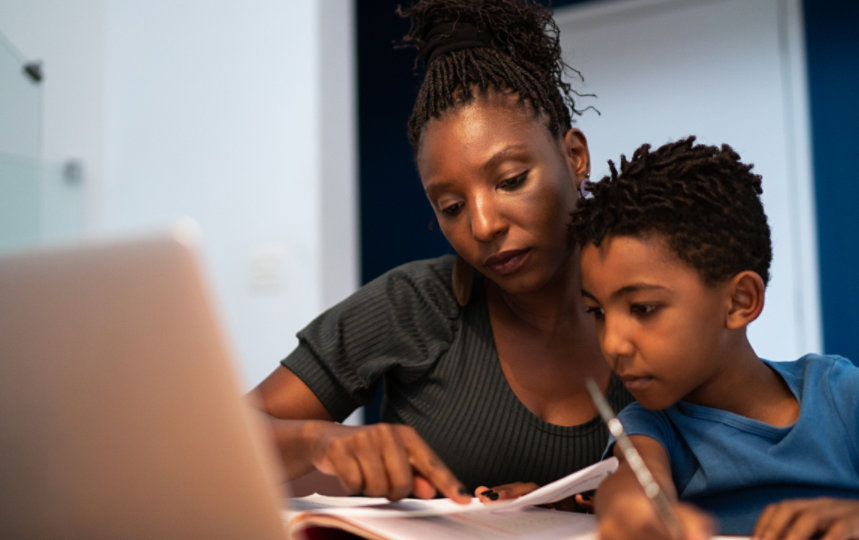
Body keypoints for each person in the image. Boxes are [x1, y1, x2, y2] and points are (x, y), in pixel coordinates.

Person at [250, 0, 633, 503]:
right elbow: (223, 436)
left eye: (511, 180)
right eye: (452, 206)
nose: (483, 225)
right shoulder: (412, 305)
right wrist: (316, 440)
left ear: (575, 157)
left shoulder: (650, 300)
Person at [569, 136, 859, 538]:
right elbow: (632, 488)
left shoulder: (842, 397)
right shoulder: (651, 426)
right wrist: (634, 513)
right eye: (596, 312)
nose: (613, 343)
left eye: (643, 308)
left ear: (740, 301)